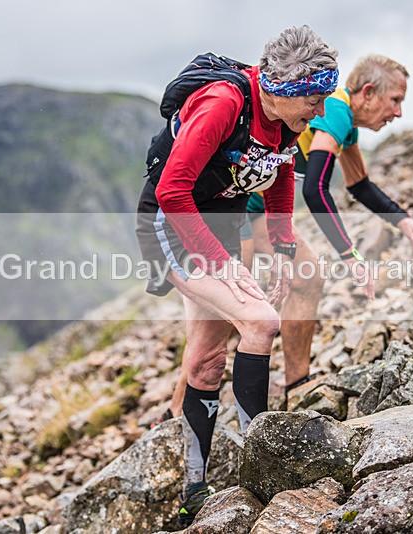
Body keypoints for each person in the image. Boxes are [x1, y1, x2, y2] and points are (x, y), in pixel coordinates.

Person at [162, 54, 413, 421]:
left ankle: (297, 385)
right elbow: (315, 190)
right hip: (240, 209)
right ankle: (176, 412)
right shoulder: (337, 112)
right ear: (368, 93)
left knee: (302, 279)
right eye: (395, 100)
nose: (398, 112)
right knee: (227, 316)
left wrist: (405, 222)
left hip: (259, 210)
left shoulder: (346, 123)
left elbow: (359, 184)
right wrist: (350, 255)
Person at [135, 26, 338, 526]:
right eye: (313, 101)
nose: (319, 113)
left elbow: (280, 178)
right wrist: (223, 263)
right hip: (171, 223)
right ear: (282, 88)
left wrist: (284, 250)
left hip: (217, 224)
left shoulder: (285, 119)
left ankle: (193, 489)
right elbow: (171, 192)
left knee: (207, 362)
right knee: (260, 321)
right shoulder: (223, 103)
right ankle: (261, 469)